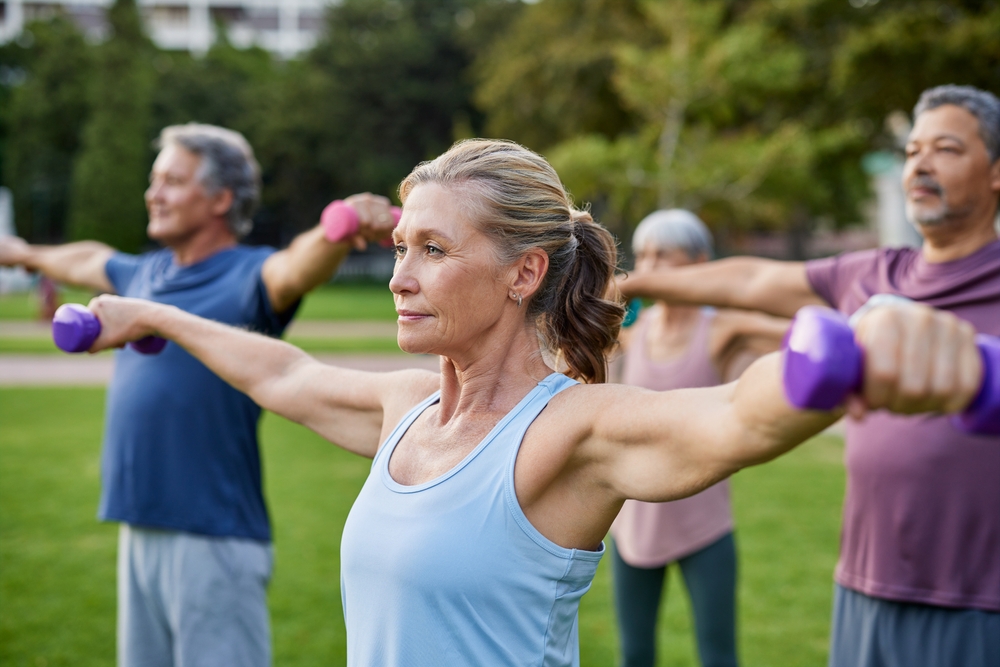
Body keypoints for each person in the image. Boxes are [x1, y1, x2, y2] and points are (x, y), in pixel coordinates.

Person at [81, 138, 981, 667]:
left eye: (433, 248)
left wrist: (854, 354)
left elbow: (735, 418)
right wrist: (156, 314)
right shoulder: (404, 411)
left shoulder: (573, 430)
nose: (399, 275)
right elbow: (282, 373)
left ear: (525, 271)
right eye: (400, 245)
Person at [618, 85, 1000, 667]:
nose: (920, 162)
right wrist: (635, 284)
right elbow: (751, 282)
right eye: (912, 149)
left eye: (946, 148)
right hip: (863, 589)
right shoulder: (870, 275)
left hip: (980, 603)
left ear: (996, 173)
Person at [0, 123, 395, 667]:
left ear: (220, 199)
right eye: (153, 179)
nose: (152, 192)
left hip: (214, 536)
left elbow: (295, 266)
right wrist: (20, 251)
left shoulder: (248, 275)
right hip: (139, 523)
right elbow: (85, 258)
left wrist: (337, 229)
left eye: (172, 180)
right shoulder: (143, 274)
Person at [611, 210, 788, 667]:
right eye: (645, 254)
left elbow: (803, 335)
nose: (650, 267)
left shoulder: (724, 328)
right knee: (635, 654)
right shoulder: (633, 330)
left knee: (718, 656)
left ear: (701, 263)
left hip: (703, 523)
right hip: (635, 524)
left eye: (665, 256)